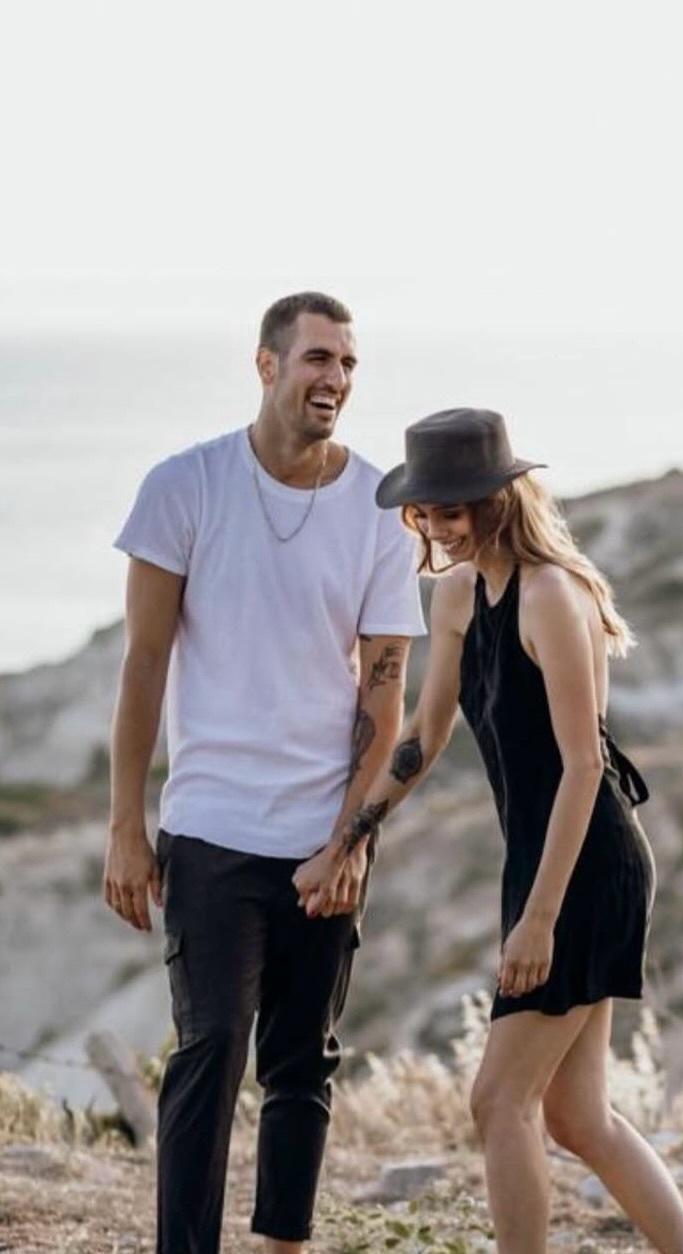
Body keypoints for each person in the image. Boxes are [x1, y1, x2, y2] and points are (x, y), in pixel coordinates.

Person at [293, 408, 683, 1254]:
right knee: (577, 1117)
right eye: (424, 512)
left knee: (498, 1101)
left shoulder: (551, 595)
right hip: (540, 860)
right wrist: (346, 841)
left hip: (586, 863)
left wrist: (539, 918)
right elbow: (423, 737)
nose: (436, 528)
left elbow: (582, 766)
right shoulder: (457, 594)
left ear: (499, 499)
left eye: (452, 510)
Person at [104, 292, 426, 1254]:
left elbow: (383, 696)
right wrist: (126, 827)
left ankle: (285, 1244)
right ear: (267, 364)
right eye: (319, 358)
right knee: (209, 1046)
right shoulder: (185, 486)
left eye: (348, 364)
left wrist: (350, 842)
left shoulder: (379, 511)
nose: (336, 379)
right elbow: (143, 666)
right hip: (210, 826)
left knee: (300, 1062)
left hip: (324, 835)